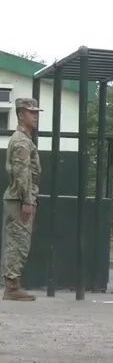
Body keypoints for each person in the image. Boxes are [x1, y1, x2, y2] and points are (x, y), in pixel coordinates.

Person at [3, 97, 42, 301]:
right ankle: (11, 286)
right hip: (20, 200)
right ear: (20, 114)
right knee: (18, 242)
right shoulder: (20, 141)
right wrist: (26, 200)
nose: (35, 116)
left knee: (19, 242)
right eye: (31, 112)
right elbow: (21, 172)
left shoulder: (24, 139)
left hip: (20, 198)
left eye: (36, 112)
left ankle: (13, 285)